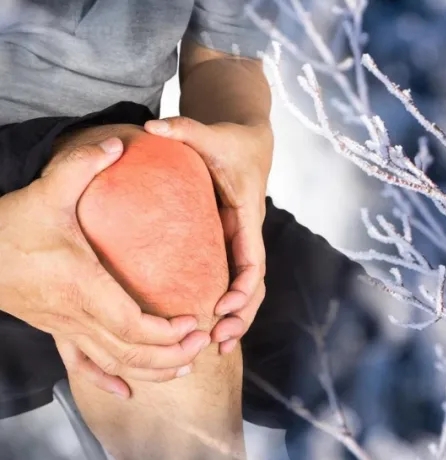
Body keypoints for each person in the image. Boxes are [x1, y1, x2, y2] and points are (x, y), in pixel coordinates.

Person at [0, 2, 376, 458]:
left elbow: (225, 55)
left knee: (407, 366)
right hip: (124, 190)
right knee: (140, 195)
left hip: (142, 187)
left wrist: (242, 137)